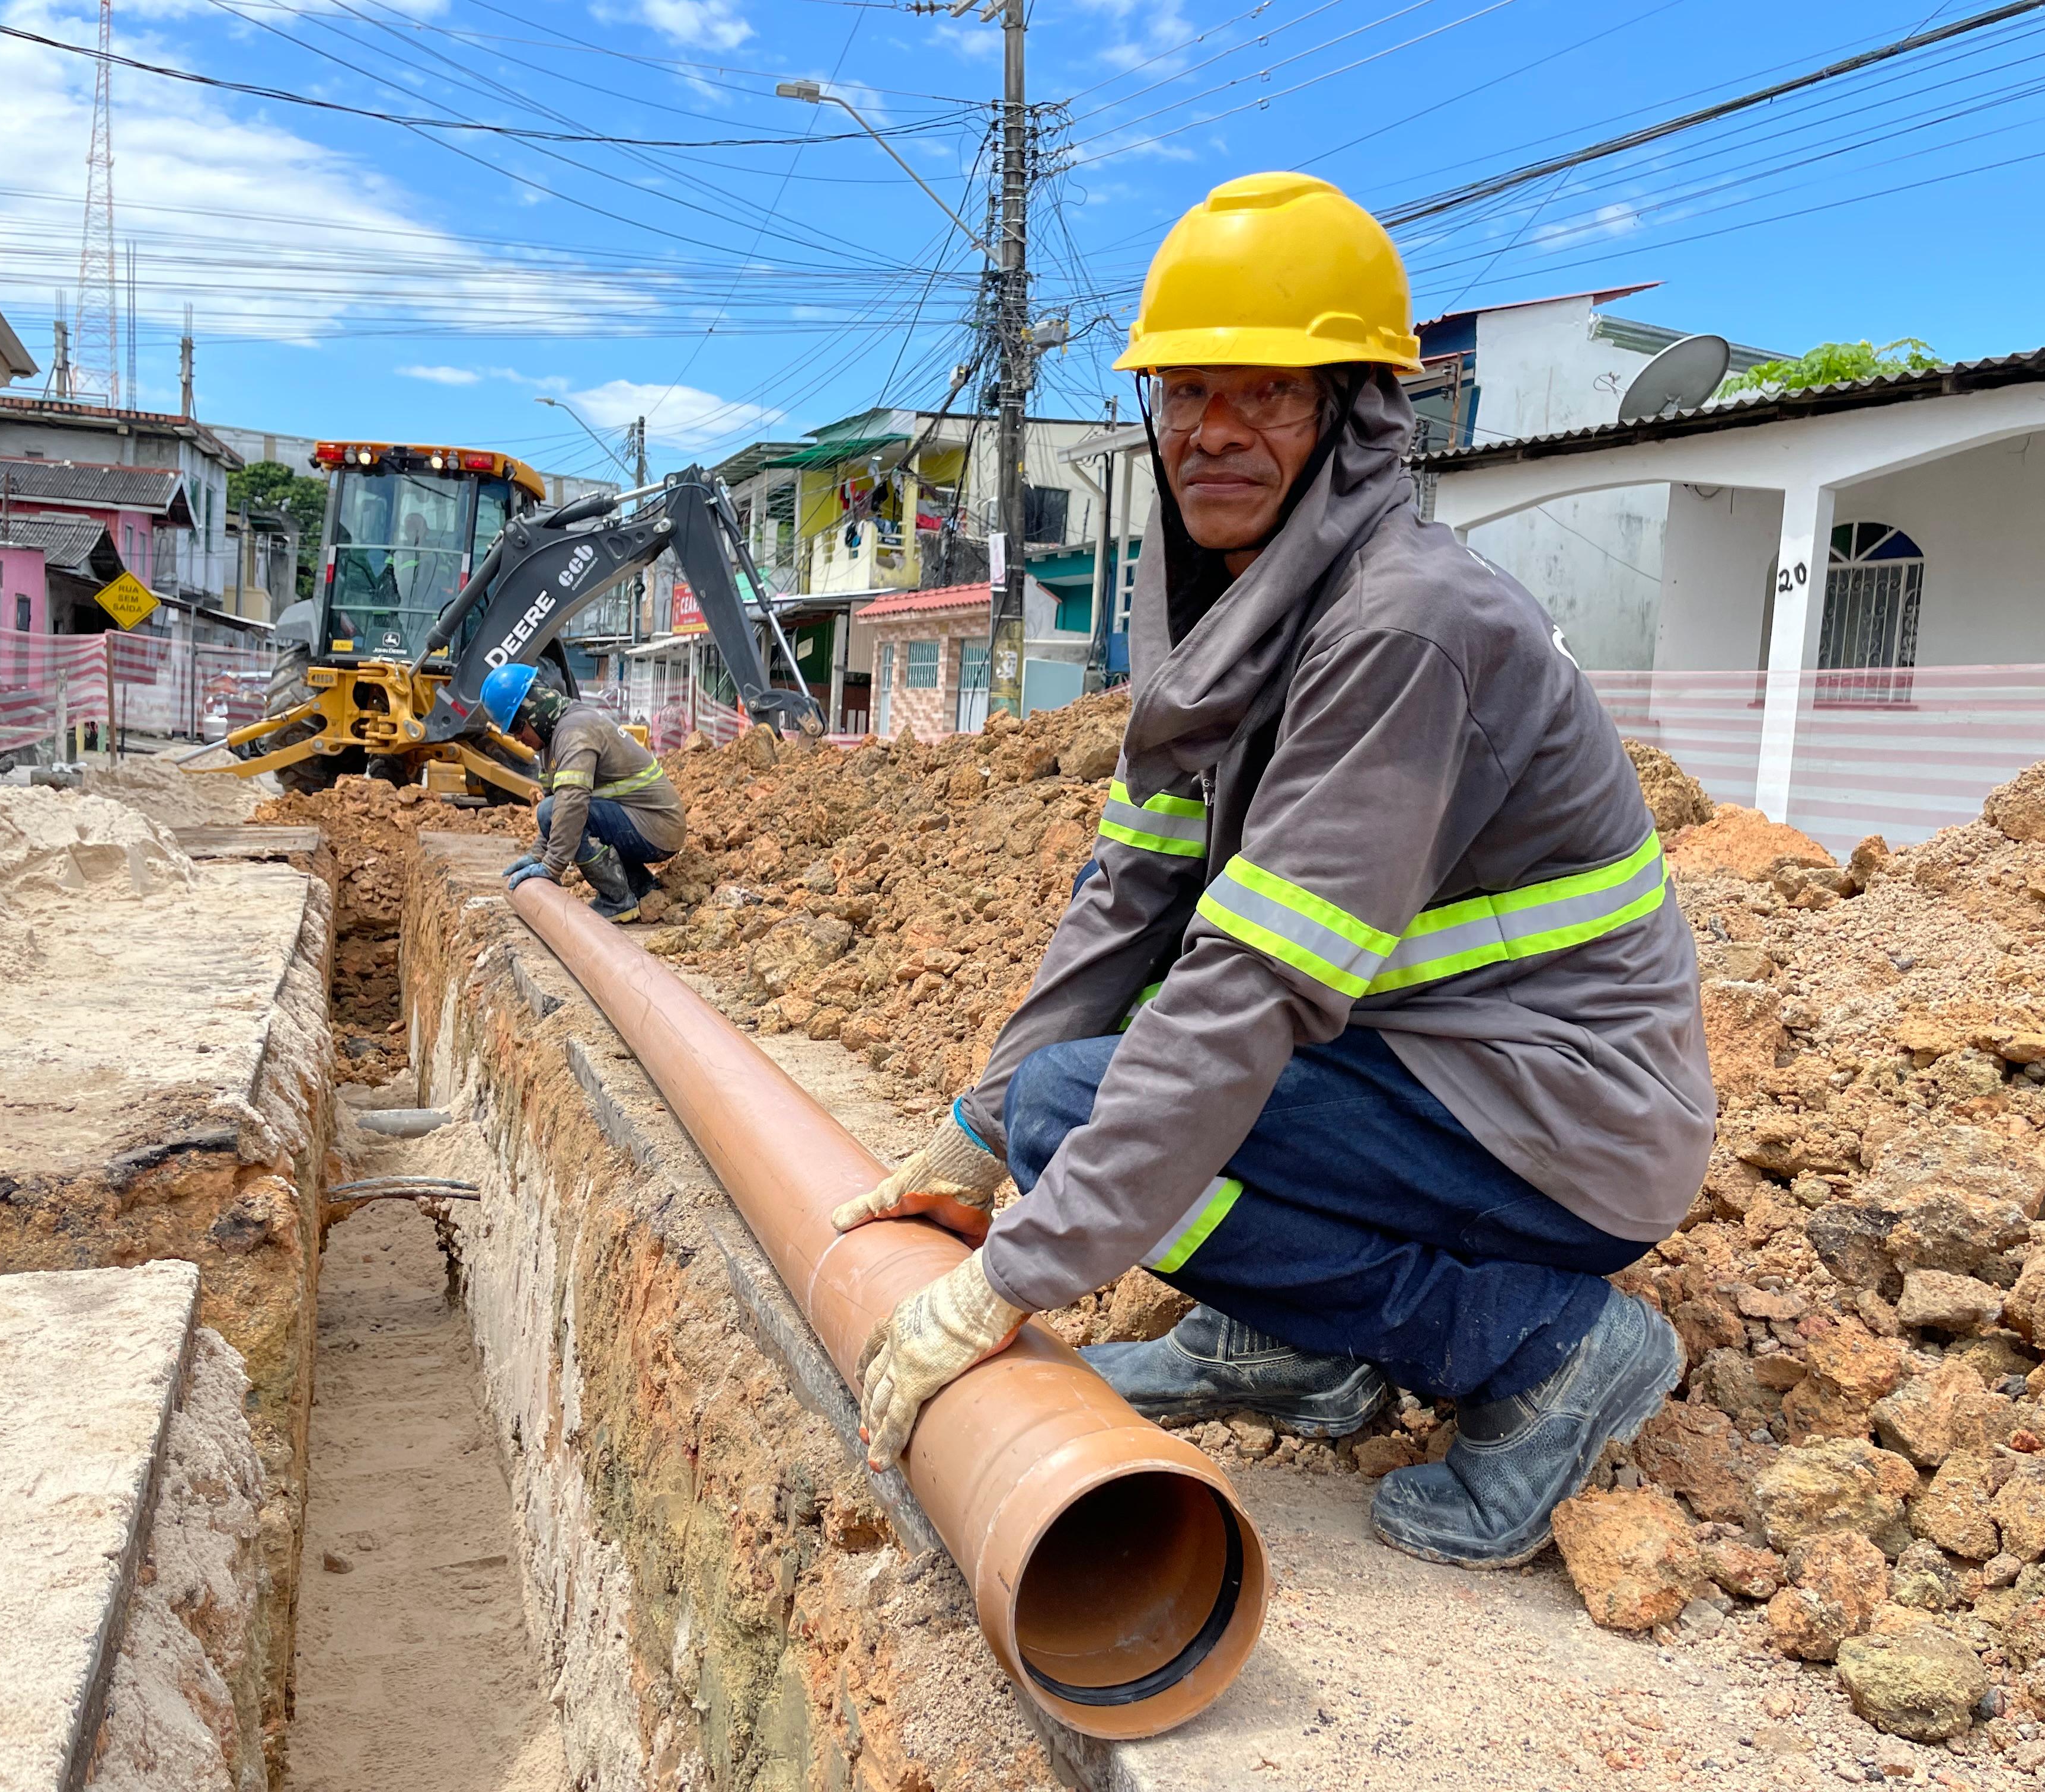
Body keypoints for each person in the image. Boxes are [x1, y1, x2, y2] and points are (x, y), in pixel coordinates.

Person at [835, 171, 1715, 1571]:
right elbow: (1131, 900)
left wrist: (1006, 1276)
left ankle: (1544, 1349)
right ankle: (1313, 1342)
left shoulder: (1402, 626)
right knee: (1059, 1107)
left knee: (1092, 1117)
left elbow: (1249, 983)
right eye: (1186, 394)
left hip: (1567, 1126)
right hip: (1449, 1082)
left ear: (1359, 419)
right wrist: (971, 1137)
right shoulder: (1236, 612)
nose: (1214, 433)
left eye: (1269, 396)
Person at [483, 662, 685, 924]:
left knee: (564, 812)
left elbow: (571, 804)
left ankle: (617, 900)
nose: (518, 738)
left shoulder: (574, 731)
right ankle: (640, 887)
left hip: (657, 828)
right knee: (552, 810)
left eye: (517, 728)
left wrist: (551, 867)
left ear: (535, 711)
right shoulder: (552, 738)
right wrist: (537, 854)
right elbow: (553, 803)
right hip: (646, 823)